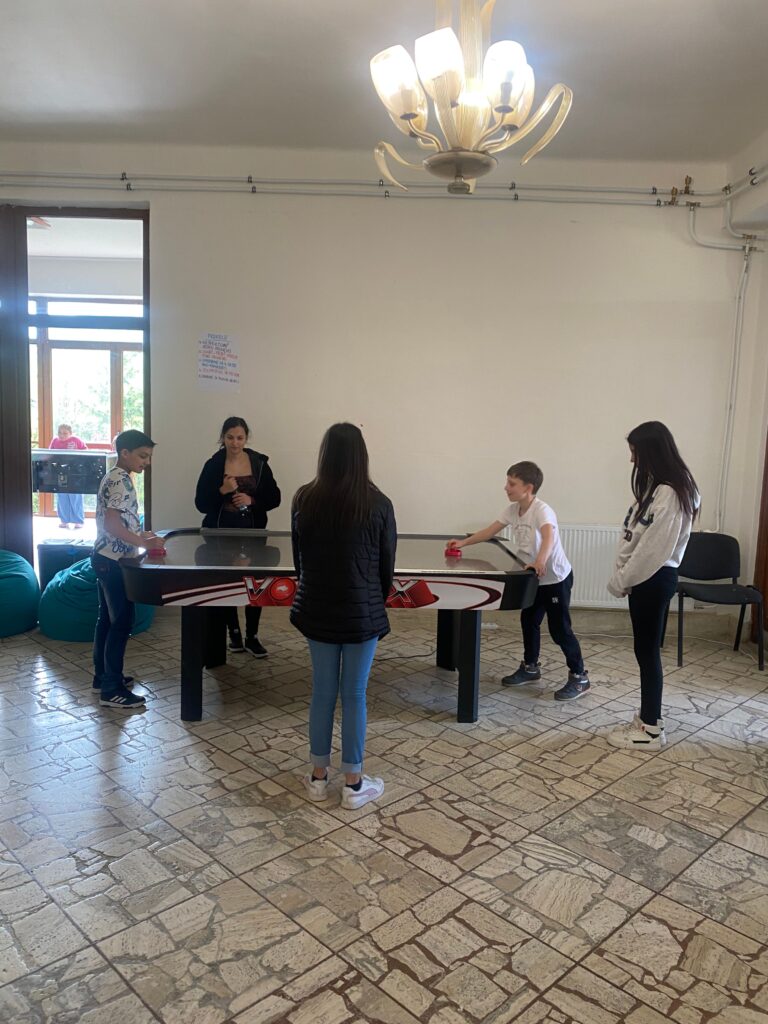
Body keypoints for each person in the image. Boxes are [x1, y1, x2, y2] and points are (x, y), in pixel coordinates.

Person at [291, 423, 396, 810]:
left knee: (322, 692)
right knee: (354, 695)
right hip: (361, 612)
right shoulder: (379, 503)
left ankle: (318, 778)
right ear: (361, 456)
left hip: (316, 607)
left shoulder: (305, 498)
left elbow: (299, 560)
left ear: (325, 454)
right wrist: (371, 597)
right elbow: (386, 567)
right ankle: (354, 784)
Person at [447, 461, 590, 701]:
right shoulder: (513, 510)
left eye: (512, 484)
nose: (506, 488)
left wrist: (540, 561)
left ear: (528, 487)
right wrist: (463, 543)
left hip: (555, 579)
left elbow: (549, 537)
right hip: (534, 577)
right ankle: (530, 667)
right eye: (507, 482)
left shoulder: (542, 510)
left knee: (560, 630)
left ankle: (580, 676)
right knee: (529, 621)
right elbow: (489, 531)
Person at [606, 421, 699, 750]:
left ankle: (650, 730)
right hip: (644, 578)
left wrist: (623, 579)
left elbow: (653, 551)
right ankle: (648, 719)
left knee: (647, 652)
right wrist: (623, 572)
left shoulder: (673, 492)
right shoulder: (658, 488)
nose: (632, 459)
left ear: (652, 452)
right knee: (644, 651)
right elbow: (634, 535)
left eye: (636, 452)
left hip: (653, 578)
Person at [194, 417, 281, 657]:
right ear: (222, 438)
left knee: (255, 583)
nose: (235, 443)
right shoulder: (213, 464)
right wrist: (222, 491)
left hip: (253, 535)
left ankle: (252, 636)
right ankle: (233, 633)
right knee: (228, 584)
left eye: (240, 438)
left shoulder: (259, 463)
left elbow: (275, 498)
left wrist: (252, 500)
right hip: (220, 537)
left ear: (246, 438)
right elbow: (201, 504)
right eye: (230, 437)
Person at [92, 429, 163, 711]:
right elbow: (111, 525)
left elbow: (120, 522)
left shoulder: (115, 476)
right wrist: (143, 543)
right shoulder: (120, 481)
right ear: (125, 453)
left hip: (104, 557)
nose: (147, 462)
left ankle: (103, 677)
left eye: (149, 457)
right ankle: (112, 689)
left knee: (107, 620)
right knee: (121, 621)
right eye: (143, 456)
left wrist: (141, 534)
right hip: (112, 562)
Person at [49, 423, 87, 528]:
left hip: (75, 473)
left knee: (76, 496)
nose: (62, 435)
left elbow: (86, 452)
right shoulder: (55, 441)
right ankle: (64, 520)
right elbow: (49, 454)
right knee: (62, 496)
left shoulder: (76, 440)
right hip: (61, 472)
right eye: (60, 433)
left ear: (70, 433)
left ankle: (78, 520)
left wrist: (76, 453)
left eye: (65, 433)